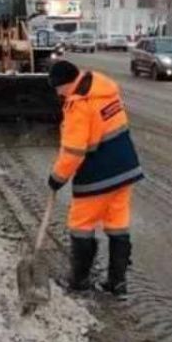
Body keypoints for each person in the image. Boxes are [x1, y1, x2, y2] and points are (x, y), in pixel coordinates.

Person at [46, 60, 143, 297]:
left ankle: (79, 281)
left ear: (65, 84)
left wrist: (57, 178)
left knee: (81, 225)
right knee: (117, 222)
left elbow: (73, 151)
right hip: (126, 166)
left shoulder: (77, 105)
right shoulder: (102, 90)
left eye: (57, 88)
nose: (58, 94)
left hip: (99, 173)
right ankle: (117, 283)